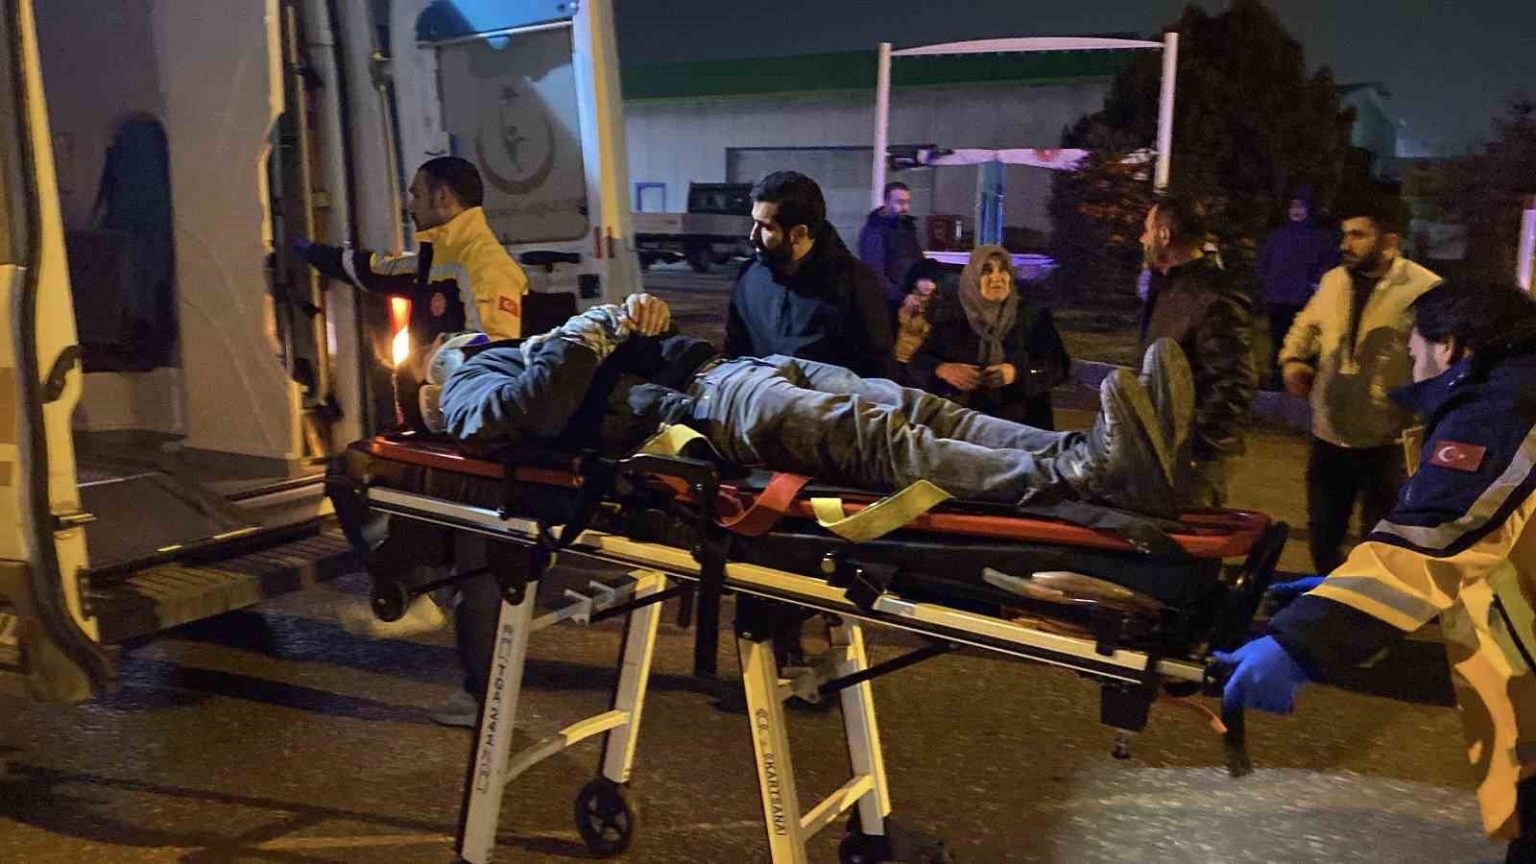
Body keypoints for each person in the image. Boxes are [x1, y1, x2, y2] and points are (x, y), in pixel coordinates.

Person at [1217, 281, 1536, 864]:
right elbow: (1495, 545)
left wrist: (1301, 644)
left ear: (1451, 346)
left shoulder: (1503, 410)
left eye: (1415, 352)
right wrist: (1342, 591)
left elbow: (1437, 533)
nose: (1413, 367)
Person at [427, 294, 1185, 521]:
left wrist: (637, 317)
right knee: (882, 440)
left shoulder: (520, 349)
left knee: (924, 410)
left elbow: (574, 365)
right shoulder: (466, 386)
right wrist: (590, 330)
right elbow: (527, 411)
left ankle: (1091, 452)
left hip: (735, 372)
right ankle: (1087, 476)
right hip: (711, 408)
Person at [1279, 194, 1442, 573]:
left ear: (1390, 241)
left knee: (1378, 540)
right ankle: (1327, 593)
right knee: (1323, 533)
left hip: (1387, 439)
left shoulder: (1424, 289)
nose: (1345, 244)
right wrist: (1293, 360)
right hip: (1329, 432)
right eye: (1345, 234)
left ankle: (1363, 601)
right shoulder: (1334, 281)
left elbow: (1438, 362)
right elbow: (1306, 325)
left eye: (1358, 235)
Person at [295, 155, 529, 345]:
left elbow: (491, 352)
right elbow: (374, 271)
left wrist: (425, 364)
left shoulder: (485, 264)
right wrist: (313, 252)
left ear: (442, 197)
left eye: (417, 195)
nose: (411, 206)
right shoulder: (436, 258)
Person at [1139, 195, 1256, 507]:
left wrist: (1193, 446)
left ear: (1164, 235)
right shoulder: (1169, 287)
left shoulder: (1212, 295)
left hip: (1192, 460)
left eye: (1147, 230)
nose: (1142, 239)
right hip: (1164, 447)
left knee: (1188, 531)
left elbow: (1234, 381)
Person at [724, 171, 895, 380]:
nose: (753, 235)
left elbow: (877, 373)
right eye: (754, 222)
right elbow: (734, 352)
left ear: (798, 234)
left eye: (766, 227)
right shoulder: (750, 277)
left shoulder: (855, 285)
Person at [907, 245, 1071, 430]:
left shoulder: (1031, 316)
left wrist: (1017, 373)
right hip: (962, 426)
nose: (996, 277)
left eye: (1003, 270)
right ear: (972, 277)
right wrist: (943, 369)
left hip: (1021, 428)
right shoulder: (952, 317)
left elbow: (1059, 367)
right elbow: (919, 362)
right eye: (986, 271)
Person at [1256, 189, 1340, 388]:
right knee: (1278, 339)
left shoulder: (1319, 237)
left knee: (1304, 342)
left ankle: (1302, 381)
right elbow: (1264, 261)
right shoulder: (1278, 235)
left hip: (1303, 299)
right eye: (1293, 206)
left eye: (1301, 206)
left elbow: (1328, 264)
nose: (1296, 211)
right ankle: (1278, 379)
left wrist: (1315, 285)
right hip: (1277, 297)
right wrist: (1266, 283)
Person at [857, 181, 924, 309]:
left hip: (910, 297)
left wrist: (925, 280)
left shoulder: (908, 228)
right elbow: (874, 273)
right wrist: (901, 297)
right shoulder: (874, 232)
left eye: (908, 202)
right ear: (886, 202)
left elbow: (918, 260)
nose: (905, 208)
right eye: (900, 202)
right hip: (887, 303)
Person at [892, 259, 943, 370]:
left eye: (933, 281)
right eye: (924, 279)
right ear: (914, 279)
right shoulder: (903, 300)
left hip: (923, 361)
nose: (928, 285)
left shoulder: (939, 304)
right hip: (900, 357)